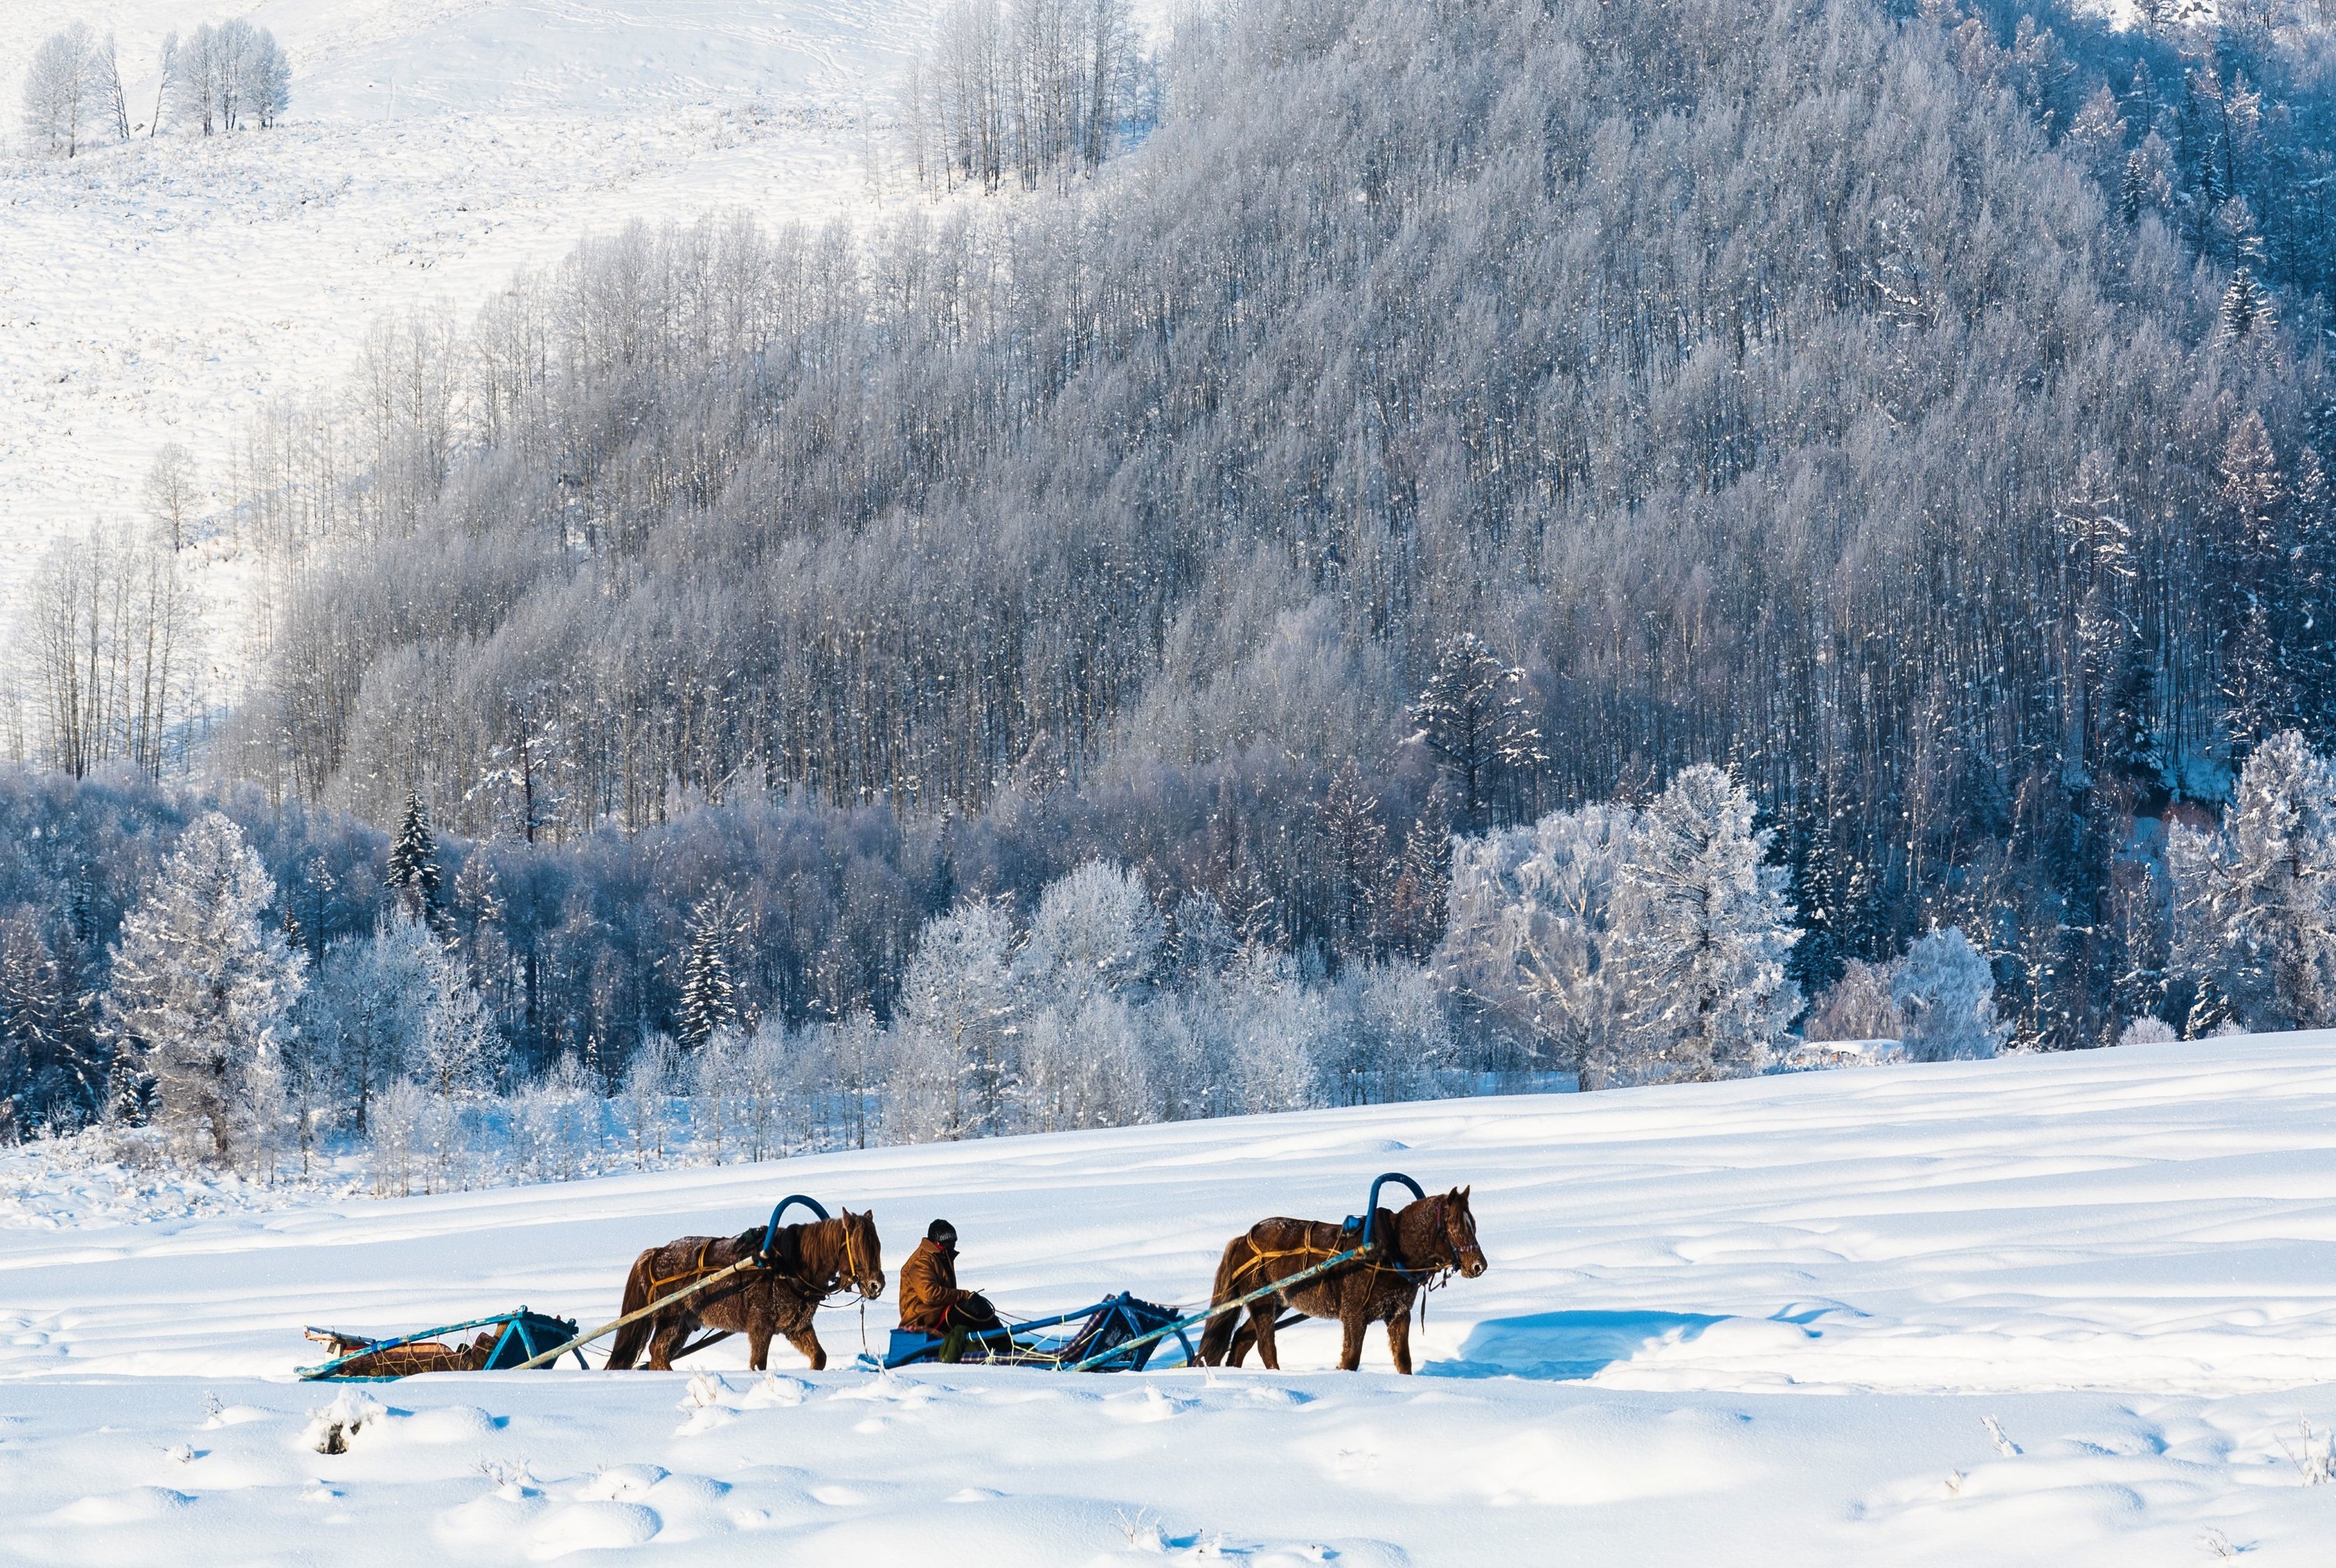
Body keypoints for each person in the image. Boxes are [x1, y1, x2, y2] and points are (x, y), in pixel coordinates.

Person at [898, 1218, 1003, 1362]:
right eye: (951, 1242)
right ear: (940, 1243)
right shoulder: (922, 1261)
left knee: (978, 1307)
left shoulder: (939, 1256)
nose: (953, 1245)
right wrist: (963, 1295)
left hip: (938, 1311)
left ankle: (1001, 1345)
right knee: (972, 1307)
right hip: (924, 1317)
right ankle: (1001, 1347)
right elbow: (930, 1295)